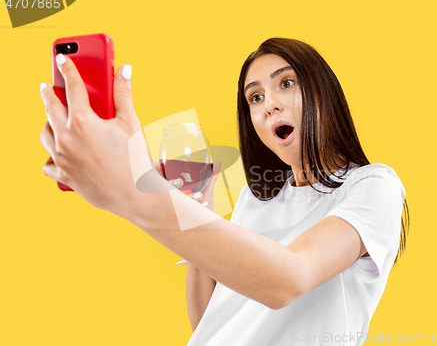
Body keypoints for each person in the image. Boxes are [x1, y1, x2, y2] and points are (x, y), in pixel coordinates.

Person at [39, 37, 410, 346]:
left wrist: (135, 194)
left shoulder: (374, 186)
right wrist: (197, 211)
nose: (270, 105)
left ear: (323, 91)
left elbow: (289, 278)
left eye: (286, 83)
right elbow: (210, 323)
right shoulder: (256, 197)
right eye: (255, 98)